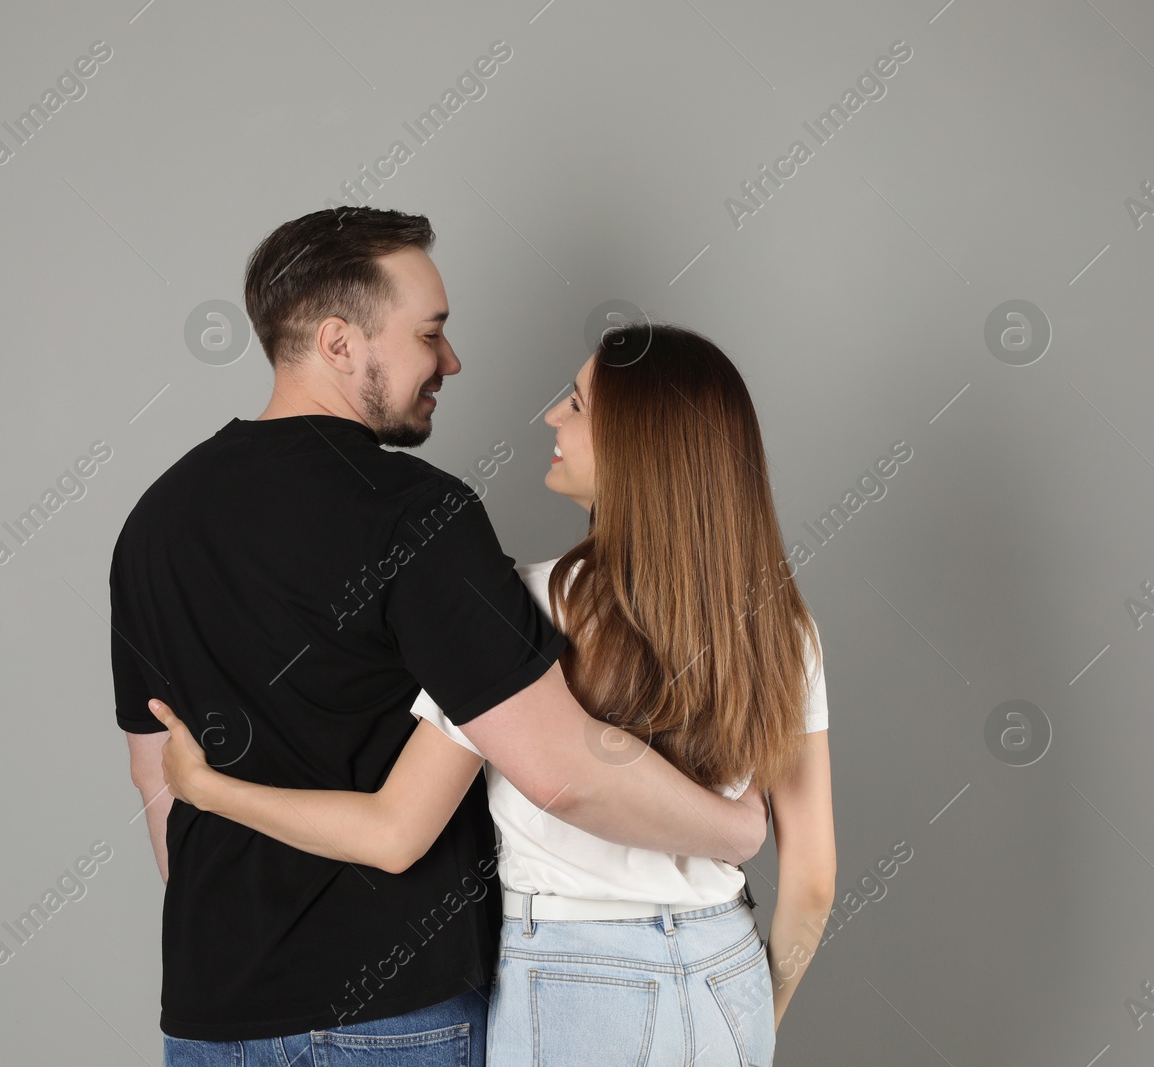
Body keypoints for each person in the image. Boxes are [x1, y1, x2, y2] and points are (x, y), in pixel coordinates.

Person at [112, 207, 772, 1066]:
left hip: (209, 1018)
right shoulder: (417, 514)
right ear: (339, 342)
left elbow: (157, 772)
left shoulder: (155, 521)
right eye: (431, 334)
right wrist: (736, 832)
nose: (450, 361)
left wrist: (241, 949)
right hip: (395, 1018)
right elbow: (563, 771)